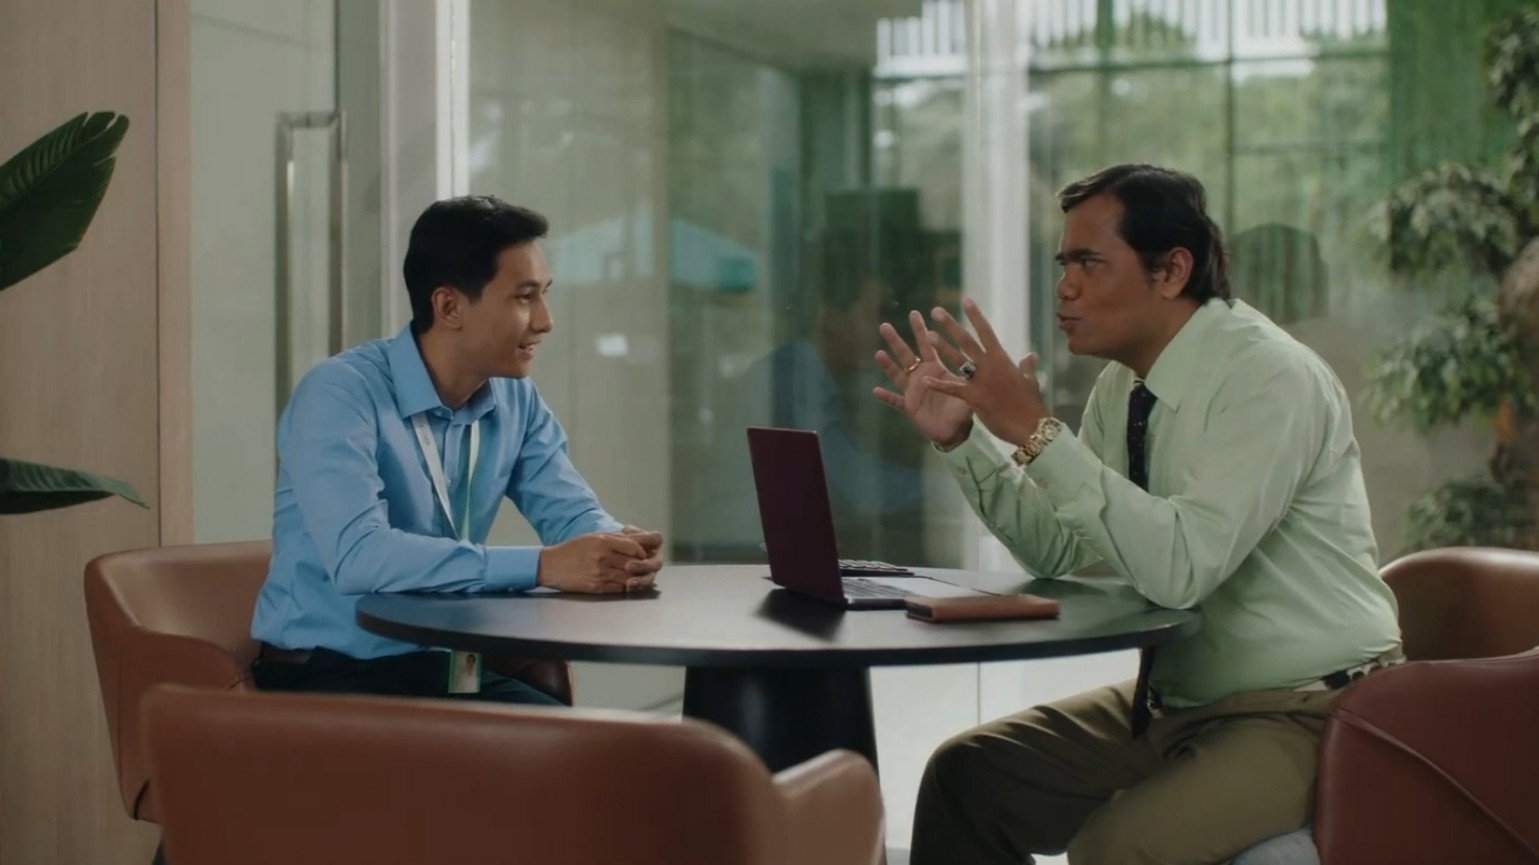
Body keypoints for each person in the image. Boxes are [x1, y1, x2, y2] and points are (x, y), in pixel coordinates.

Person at [872, 164, 1402, 865]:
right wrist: (962, 441)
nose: (1064, 287)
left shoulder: (1270, 378)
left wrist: (1036, 432)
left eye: (1089, 263)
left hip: (1304, 709)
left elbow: (1182, 570)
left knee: (1115, 848)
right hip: (1176, 705)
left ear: (1171, 270)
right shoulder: (1122, 386)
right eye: (1064, 263)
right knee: (966, 776)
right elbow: (1056, 548)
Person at [251, 195, 664, 705]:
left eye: (545, 295)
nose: (545, 321)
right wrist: (544, 566)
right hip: (333, 674)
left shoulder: (515, 398)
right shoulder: (340, 394)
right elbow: (359, 557)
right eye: (524, 298)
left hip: (444, 663)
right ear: (449, 307)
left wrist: (616, 549)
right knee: (580, 744)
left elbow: (569, 510)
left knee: (594, 740)